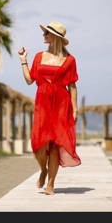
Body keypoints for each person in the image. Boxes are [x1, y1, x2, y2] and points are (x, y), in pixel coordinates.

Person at [18, 21, 81, 195]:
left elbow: (72, 86)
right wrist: (23, 61)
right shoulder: (39, 56)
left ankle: (51, 184)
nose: (43, 36)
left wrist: (75, 109)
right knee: (38, 143)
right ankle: (43, 170)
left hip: (61, 104)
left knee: (55, 145)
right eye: (44, 33)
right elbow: (30, 80)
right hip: (42, 104)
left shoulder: (70, 60)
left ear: (55, 37)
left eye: (46, 33)